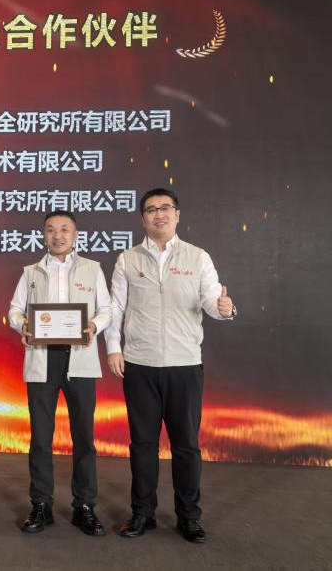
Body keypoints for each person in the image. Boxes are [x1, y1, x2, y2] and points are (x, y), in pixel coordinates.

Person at [105, 188, 235, 543]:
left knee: (186, 446)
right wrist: (114, 348)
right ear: (142, 219)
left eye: (165, 208)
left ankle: (189, 517)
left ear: (177, 214)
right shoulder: (128, 259)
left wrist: (224, 309)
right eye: (151, 209)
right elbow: (116, 307)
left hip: (184, 364)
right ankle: (142, 514)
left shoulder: (198, 257)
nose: (158, 214)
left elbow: (212, 299)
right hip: (139, 364)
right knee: (142, 445)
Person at [7, 210, 112, 536]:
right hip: (42, 359)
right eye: (51, 230)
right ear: (44, 235)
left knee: (84, 438)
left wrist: (94, 326)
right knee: (41, 438)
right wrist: (22, 325)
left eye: (64, 229)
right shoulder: (31, 272)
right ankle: (41, 504)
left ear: (75, 235)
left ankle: (85, 506)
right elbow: (14, 309)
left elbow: (107, 309)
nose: (57, 235)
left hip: (80, 358)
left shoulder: (92, 269)